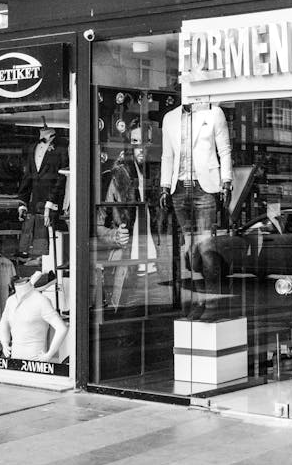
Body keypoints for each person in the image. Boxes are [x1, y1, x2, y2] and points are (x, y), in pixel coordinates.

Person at [159, 102, 233, 302]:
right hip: (179, 189)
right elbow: (167, 156)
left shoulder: (214, 112)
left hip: (205, 187)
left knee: (206, 248)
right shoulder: (170, 118)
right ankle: (197, 300)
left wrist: (226, 182)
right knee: (190, 250)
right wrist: (165, 186)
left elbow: (225, 150)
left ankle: (212, 301)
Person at [95, 118, 158, 309]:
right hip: (129, 270)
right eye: (136, 142)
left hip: (158, 271)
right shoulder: (119, 177)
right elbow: (98, 225)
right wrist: (115, 235)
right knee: (127, 319)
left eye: (146, 142)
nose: (141, 149)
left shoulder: (158, 176)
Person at [18, 127, 67, 258]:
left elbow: (62, 177)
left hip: (55, 201)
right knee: (34, 244)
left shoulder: (62, 147)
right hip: (35, 203)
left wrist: (51, 201)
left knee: (57, 240)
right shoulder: (32, 147)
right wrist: (22, 202)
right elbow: (28, 176)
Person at [0, 273, 68, 362]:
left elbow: (62, 328)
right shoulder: (11, 300)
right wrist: (4, 343)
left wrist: (49, 354)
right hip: (15, 356)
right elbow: (4, 323)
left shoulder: (41, 300)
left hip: (35, 359)